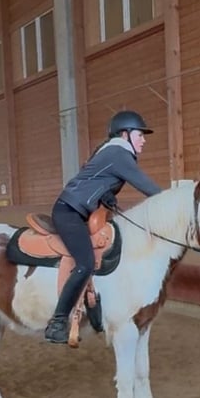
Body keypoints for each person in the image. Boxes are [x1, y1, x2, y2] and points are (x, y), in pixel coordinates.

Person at [44, 109, 163, 344]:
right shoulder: (119, 153)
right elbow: (150, 189)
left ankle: (96, 308)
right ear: (125, 134)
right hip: (69, 212)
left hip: (83, 212)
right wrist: (175, 200)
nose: (144, 139)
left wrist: (106, 194)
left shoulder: (113, 152)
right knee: (86, 262)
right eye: (140, 134)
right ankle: (57, 321)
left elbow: (94, 181)